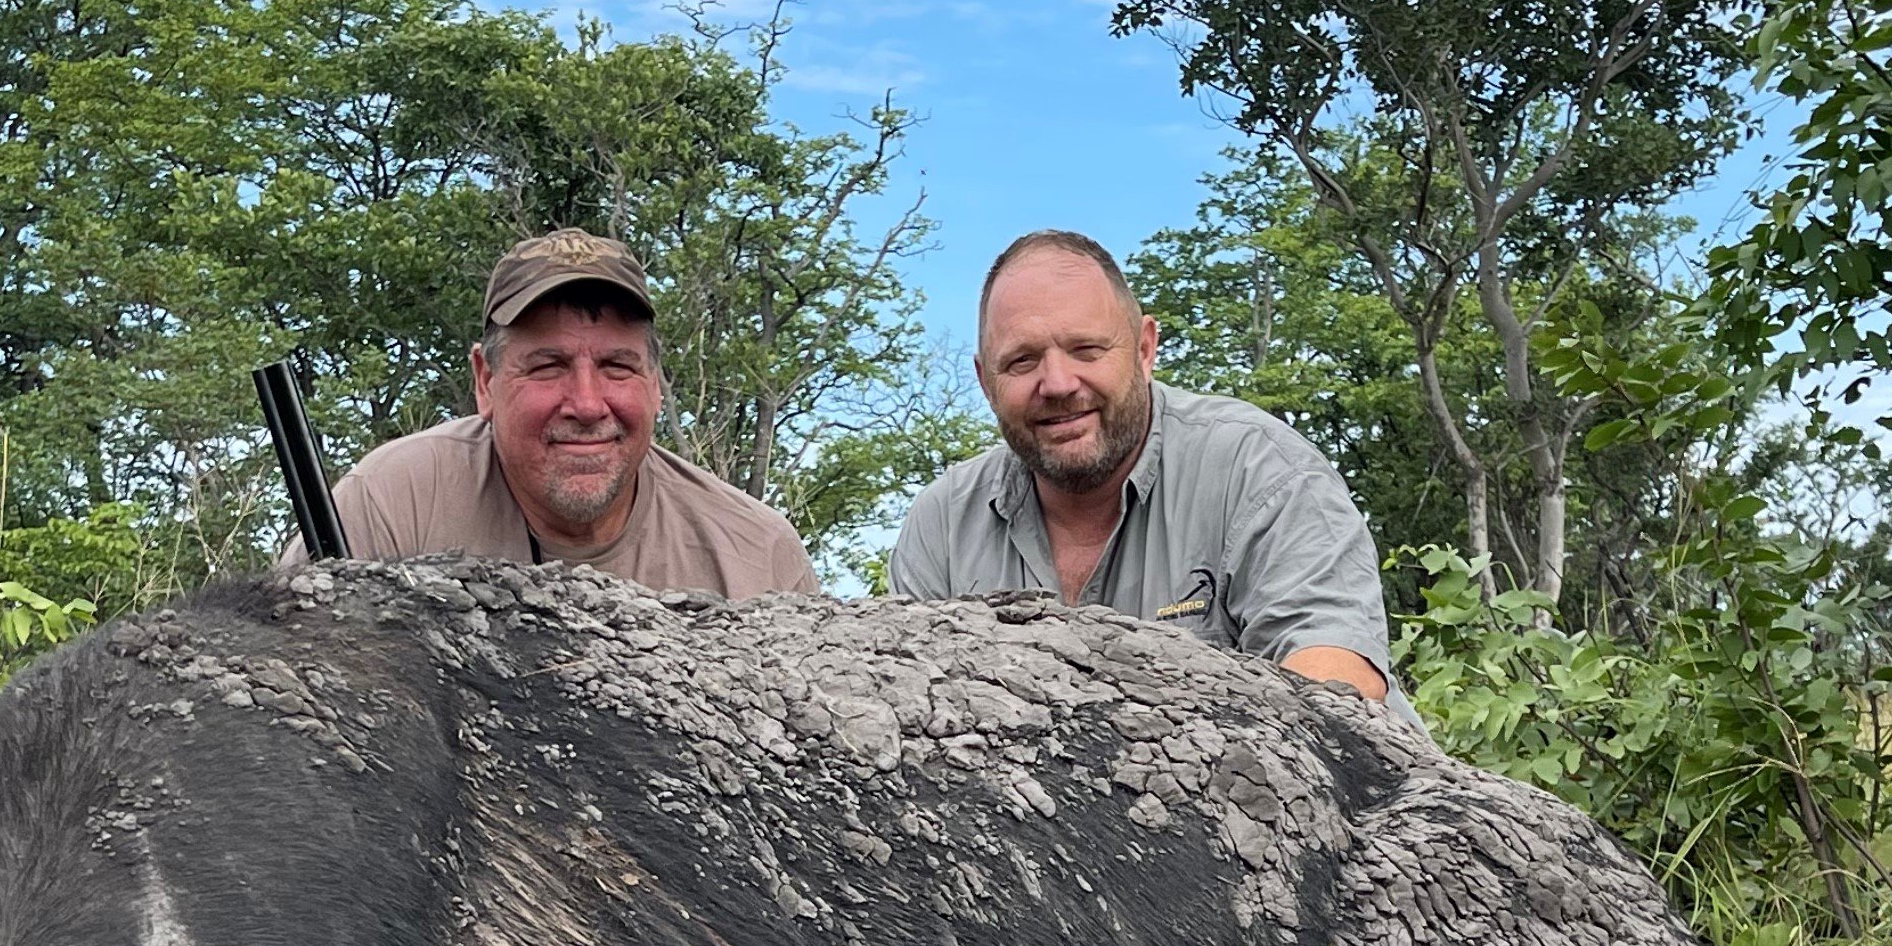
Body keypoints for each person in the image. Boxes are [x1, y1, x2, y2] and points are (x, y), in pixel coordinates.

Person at [889, 229, 1393, 701]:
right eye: (1022, 360)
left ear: (1145, 349)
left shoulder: (1260, 469)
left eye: (1086, 349)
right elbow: (908, 706)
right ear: (985, 380)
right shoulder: (944, 526)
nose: (1058, 383)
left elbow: (1336, 686)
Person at [311, 228, 821, 597]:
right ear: (486, 381)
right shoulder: (388, 505)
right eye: (548, 366)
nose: (586, 404)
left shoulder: (759, 557)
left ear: (656, 385)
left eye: (617, 366)